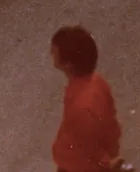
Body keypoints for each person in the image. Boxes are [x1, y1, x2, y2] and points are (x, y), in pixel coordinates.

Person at [50, 26, 123, 172]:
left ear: (68, 65)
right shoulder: (97, 81)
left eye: (54, 52)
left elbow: (91, 152)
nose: (50, 53)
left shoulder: (82, 108)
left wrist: (108, 164)